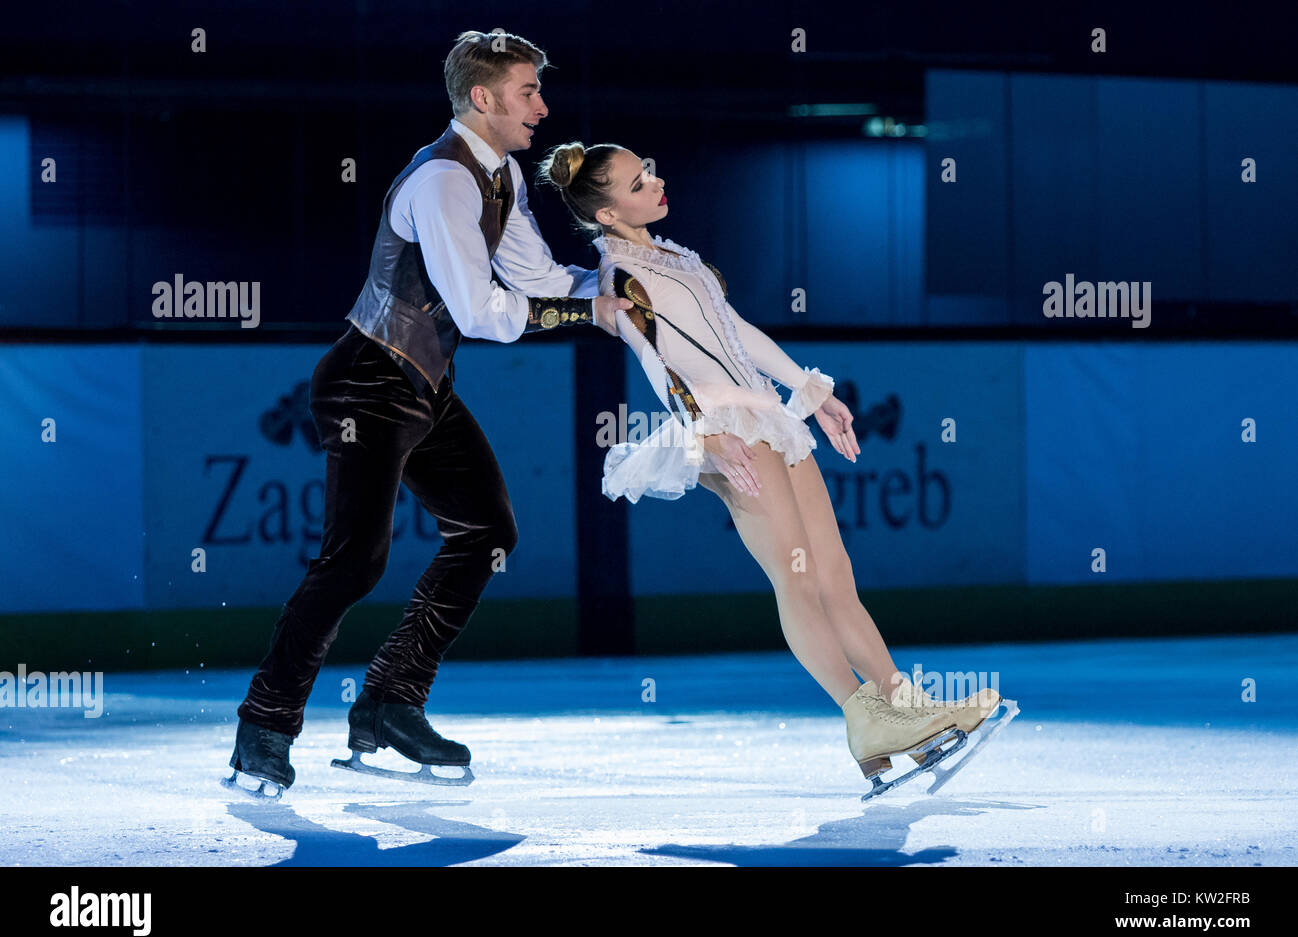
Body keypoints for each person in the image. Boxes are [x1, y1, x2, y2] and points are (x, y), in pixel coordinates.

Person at [225, 31, 631, 799]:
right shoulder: (445, 181)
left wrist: (609, 277)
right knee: (355, 561)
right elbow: (480, 311)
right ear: (482, 98)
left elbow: (538, 276)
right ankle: (264, 728)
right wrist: (585, 317)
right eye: (527, 93)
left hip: (422, 386)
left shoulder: (500, 171)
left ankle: (388, 701)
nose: (543, 108)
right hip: (365, 384)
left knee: (486, 530)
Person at [536, 141, 1004, 790]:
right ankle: (861, 716)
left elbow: (735, 328)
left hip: (764, 415)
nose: (657, 179)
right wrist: (703, 431)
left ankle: (905, 712)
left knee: (834, 572)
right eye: (639, 181)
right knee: (797, 579)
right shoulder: (620, 278)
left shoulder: (671, 254)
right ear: (609, 213)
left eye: (651, 168)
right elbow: (653, 359)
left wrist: (810, 391)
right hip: (724, 426)